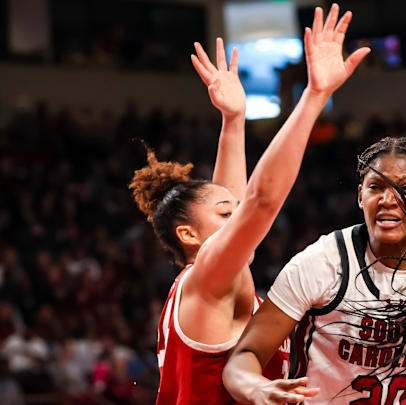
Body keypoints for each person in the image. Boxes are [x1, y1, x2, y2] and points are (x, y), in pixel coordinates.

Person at [128, 4, 369, 404]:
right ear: (188, 235)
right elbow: (260, 201)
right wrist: (313, 97)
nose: (237, 217)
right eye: (226, 215)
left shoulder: (215, 285)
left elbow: (238, 199)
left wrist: (234, 121)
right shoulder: (206, 278)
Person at [222, 136, 406, 405]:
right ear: (359, 196)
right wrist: (256, 387)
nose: (387, 200)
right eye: (376, 187)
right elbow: (243, 358)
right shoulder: (323, 262)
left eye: (404, 188)